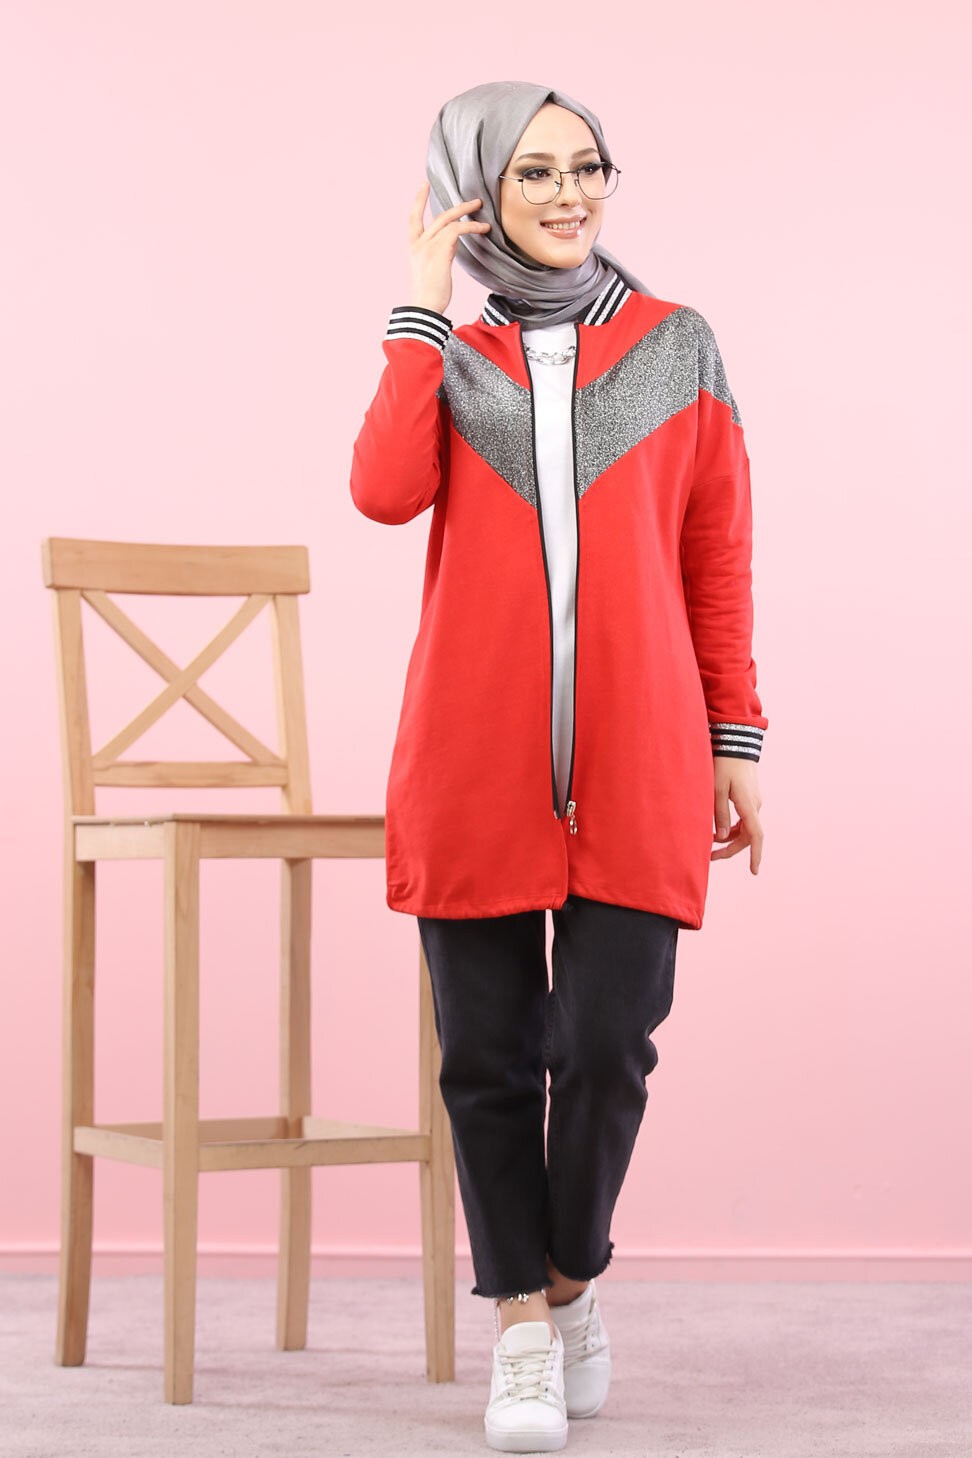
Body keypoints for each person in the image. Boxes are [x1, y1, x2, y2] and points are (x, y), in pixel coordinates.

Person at [349, 79, 767, 1455]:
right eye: (533, 172)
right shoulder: (450, 358)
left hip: (642, 755)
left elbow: (715, 555)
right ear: (474, 195)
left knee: (606, 1044)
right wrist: (418, 309)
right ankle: (522, 1328)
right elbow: (383, 490)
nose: (570, 193)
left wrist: (736, 738)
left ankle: (573, 1278)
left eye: (587, 166)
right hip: (473, 758)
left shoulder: (675, 347)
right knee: (485, 1056)